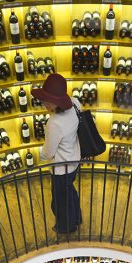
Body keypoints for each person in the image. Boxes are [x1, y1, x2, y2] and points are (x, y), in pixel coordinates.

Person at [31, 73, 82, 235]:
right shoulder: (75, 103)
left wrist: (37, 152)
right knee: (70, 192)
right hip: (74, 161)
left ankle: (66, 227)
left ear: (57, 101)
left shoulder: (54, 123)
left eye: (47, 100)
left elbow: (48, 152)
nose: (44, 103)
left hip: (61, 168)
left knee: (60, 201)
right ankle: (77, 218)